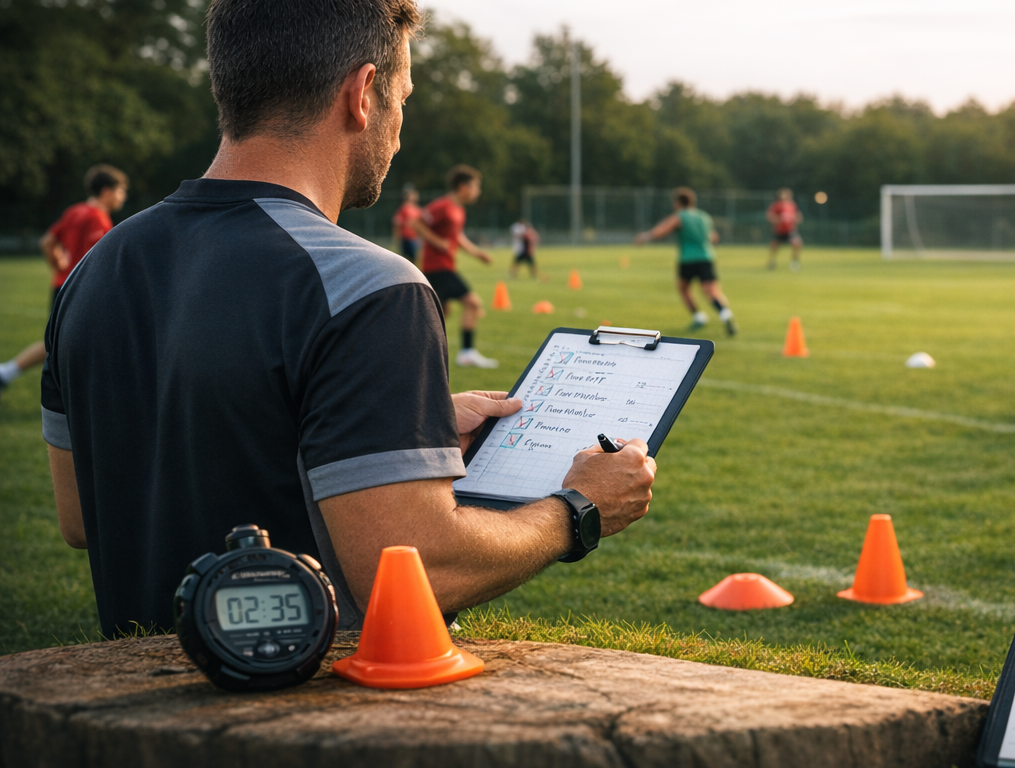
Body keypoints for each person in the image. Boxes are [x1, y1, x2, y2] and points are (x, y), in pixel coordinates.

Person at [41, 0, 657, 638]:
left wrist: (389, 427)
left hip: (137, 701)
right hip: (308, 710)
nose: (399, 131)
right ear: (363, 93)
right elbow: (415, 570)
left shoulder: (93, 272)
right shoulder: (368, 285)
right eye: (404, 100)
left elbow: (83, 516)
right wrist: (577, 507)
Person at [2, 166, 128, 397]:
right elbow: (100, 264)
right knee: (92, 343)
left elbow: (47, 242)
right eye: (121, 191)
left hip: (62, 286)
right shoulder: (98, 219)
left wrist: (59, 266)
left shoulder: (75, 211)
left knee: (60, 343)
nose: (124, 196)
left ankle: (7, 372)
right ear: (107, 192)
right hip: (84, 291)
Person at [413, 165, 498, 368]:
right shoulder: (443, 205)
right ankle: (467, 353)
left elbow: (456, 237)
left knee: (441, 313)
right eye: (475, 186)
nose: (478, 191)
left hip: (444, 267)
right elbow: (415, 223)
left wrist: (477, 254)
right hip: (437, 267)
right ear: (463, 187)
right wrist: (437, 241)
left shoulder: (458, 210)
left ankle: (417, 350)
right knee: (473, 303)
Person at [635, 187, 738, 335]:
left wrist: (644, 237)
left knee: (683, 288)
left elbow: (661, 231)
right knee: (712, 290)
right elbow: (714, 238)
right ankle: (725, 314)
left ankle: (699, 317)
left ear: (678, 202)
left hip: (688, 259)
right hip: (706, 257)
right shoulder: (704, 216)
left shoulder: (680, 216)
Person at [765, 188, 803, 271]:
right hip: (779, 230)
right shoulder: (776, 205)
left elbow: (799, 216)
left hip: (790, 230)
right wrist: (778, 219)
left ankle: (794, 261)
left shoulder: (792, 205)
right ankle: (772, 261)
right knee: (774, 246)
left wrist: (795, 219)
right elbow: (769, 216)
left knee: (797, 243)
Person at [392, 184, 422, 266]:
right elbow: (396, 222)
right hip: (406, 238)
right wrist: (397, 237)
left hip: (414, 239)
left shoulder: (417, 209)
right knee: (405, 261)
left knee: (414, 261)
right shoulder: (404, 208)